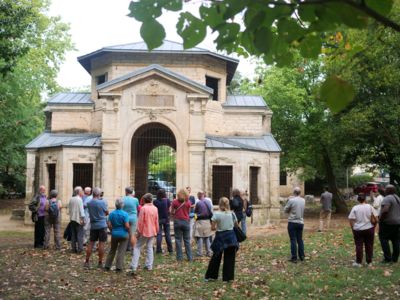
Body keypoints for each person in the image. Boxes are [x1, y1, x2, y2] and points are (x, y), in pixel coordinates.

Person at [205, 197, 239, 282]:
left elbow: (213, 228)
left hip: (220, 237)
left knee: (216, 257)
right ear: (228, 204)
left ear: (219, 204)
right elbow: (236, 226)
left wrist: (218, 226)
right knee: (230, 258)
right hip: (231, 237)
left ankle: (211, 276)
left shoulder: (216, 214)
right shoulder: (232, 214)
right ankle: (228, 278)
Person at [130, 193, 159, 274]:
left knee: (137, 247)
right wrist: (157, 230)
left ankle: (134, 265)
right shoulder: (155, 208)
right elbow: (156, 221)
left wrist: (138, 232)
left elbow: (140, 222)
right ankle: (149, 265)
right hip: (152, 230)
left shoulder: (143, 208)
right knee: (149, 247)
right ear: (151, 200)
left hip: (145, 231)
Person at [348, 193, 376, 267]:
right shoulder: (370, 207)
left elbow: (351, 219)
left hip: (358, 229)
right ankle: (369, 262)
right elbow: (376, 218)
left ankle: (359, 262)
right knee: (369, 245)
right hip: (369, 228)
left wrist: (353, 228)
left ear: (358, 200)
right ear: (365, 199)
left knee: (359, 245)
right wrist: (374, 226)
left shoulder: (355, 208)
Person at [85, 187, 109, 268]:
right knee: (101, 243)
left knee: (91, 243)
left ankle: (87, 261)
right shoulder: (102, 203)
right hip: (102, 225)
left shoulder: (89, 203)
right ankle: (100, 262)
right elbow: (107, 212)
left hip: (93, 225)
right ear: (99, 194)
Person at [105, 198, 130, 272]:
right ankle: (119, 267)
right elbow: (127, 226)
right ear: (122, 205)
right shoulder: (125, 214)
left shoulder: (112, 213)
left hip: (114, 234)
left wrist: (112, 230)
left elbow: (109, 224)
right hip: (123, 234)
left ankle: (107, 265)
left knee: (112, 250)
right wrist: (127, 231)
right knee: (121, 251)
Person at [378, 184, 400, 263]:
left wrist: (381, 219)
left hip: (387, 223)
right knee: (396, 240)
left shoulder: (387, 198)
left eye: (385, 189)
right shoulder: (397, 197)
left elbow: (385, 210)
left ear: (388, 190)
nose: (384, 190)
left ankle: (387, 258)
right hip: (397, 223)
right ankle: (395, 258)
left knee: (383, 239)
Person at [284, 187, 305, 263]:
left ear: (294, 192)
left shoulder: (291, 200)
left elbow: (285, 210)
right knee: (300, 240)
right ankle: (302, 256)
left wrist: (288, 200)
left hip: (292, 222)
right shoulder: (303, 200)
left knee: (293, 239)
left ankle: (294, 257)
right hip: (300, 222)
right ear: (300, 192)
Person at [171, 188, 193, 261]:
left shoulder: (174, 202)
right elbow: (188, 212)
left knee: (178, 240)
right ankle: (190, 257)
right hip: (186, 221)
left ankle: (179, 258)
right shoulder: (188, 202)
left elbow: (172, 212)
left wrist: (174, 214)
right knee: (187, 240)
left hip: (177, 222)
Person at [153, 189, 173, 254]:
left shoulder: (155, 201)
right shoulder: (167, 200)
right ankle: (170, 249)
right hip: (166, 219)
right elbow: (170, 210)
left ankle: (158, 250)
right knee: (167, 234)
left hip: (158, 219)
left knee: (159, 234)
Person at [194, 191, 213, 257]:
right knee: (207, 237)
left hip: (200, 222)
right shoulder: (208, 202)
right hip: (207, 221)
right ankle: (209, 252)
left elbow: (195, 213)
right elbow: (211, 211)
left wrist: (195, 217)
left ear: (199, 195)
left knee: (200, 237)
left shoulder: (198, 203)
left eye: (198, 195)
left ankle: (200, 253)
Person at [122, 187, 139, 251]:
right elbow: (137, 207)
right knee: (132, 234)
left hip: (125, 218)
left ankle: (124, 247)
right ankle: (134, 248)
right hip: (133, 218)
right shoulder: (135, 200)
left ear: (126, 192)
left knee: (125, 233)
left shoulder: (122, 199)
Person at [68, 186, 85, 253]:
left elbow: (69, 209)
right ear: (79, 192)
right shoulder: (79, 199)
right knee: (80, 234)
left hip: (72, 219)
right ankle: (80, 249)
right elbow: (81, 210)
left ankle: (73, 248)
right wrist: (82, 218)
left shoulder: (71, 199)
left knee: (73, 235)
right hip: (78, 219)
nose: (82, 192)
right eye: (82, 191)